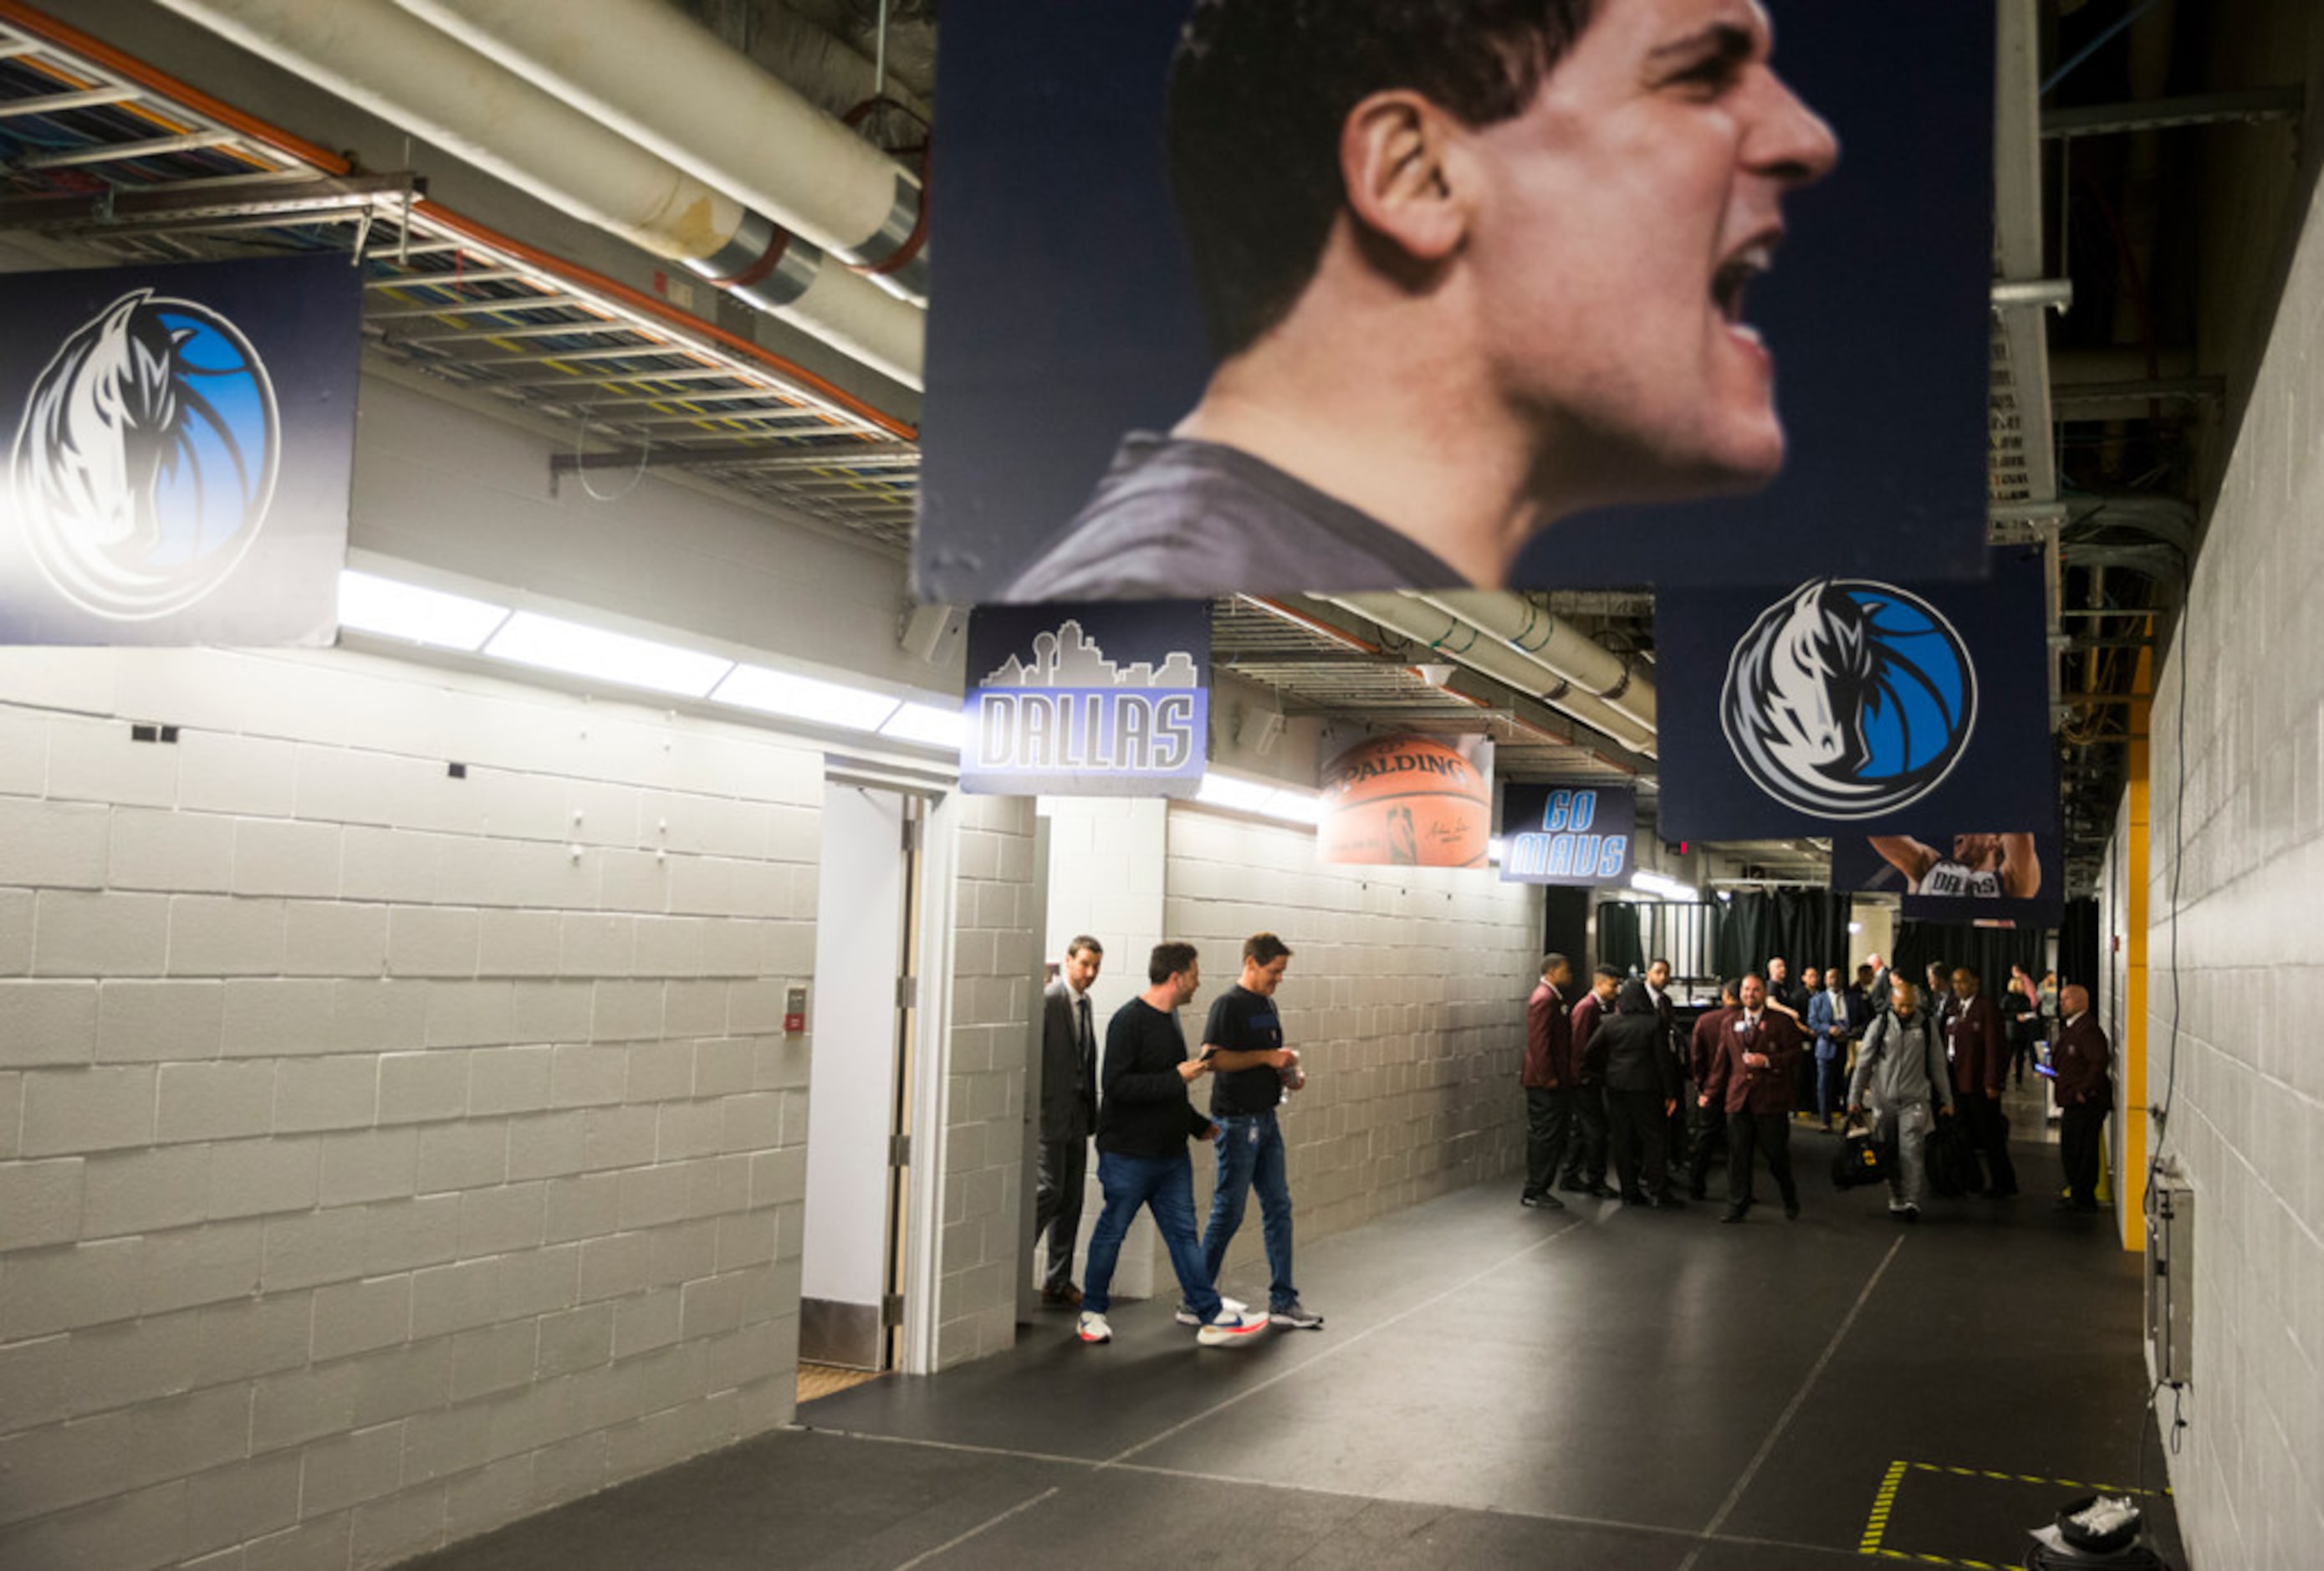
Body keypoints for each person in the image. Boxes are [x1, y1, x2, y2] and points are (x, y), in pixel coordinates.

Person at [1002, 0, 1840, 600]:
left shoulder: (1245, 566)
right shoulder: (1154, 594)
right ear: (1417, 175)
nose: (1806, 140)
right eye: (1699, 74)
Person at [1077, 944, 1272, 1347]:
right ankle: (1091, 1313)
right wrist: (1176, 1078)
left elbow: (1170, 1088)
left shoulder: (1171, 1020)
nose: (1198, 982)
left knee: (1184, 1234)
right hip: (1128, 1154)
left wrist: (1197, 1125)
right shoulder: (1128, 1021)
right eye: (1194, 974)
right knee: (1113, 1231)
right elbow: (1115, 1086)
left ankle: (1208, 1313)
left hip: (1169, 1156)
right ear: (1176, 977)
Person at [1197, 933, 1323, 1330]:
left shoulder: (1267, 1005)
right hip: (1237, 1123)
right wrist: (1266, 1057)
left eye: (1282, 972)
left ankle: (1283, 1300)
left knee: (1278, 1207)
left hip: (1266, 1119)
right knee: (1229, 1212)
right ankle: (1196, 1297)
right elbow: (1211, 1059)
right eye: (1274, 971)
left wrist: (1286, 1072)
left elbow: (1269, 1058)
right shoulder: (1227, 1005)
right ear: (1251, 963)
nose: (1279, 979)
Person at [1845, 975, 1954, 1222]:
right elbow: (1864, 1064)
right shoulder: (1880, 1025)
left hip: (1915, 1100)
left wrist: (1947, 1099)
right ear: (1893, 1002)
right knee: (1888, 1151)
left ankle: (1912, 1201)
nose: (1905, 1010)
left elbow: (1937, 1065)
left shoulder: (1926, 1027)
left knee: (1912, 1148)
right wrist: (1854, 1097)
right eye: (1901, 1005)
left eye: (1910, 1005)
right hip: (1884, 1100)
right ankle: (1896, 1197)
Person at [1699, 972, 1805, 1222]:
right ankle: (1737, 1205)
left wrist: (1768, 1061)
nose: (1750, 994)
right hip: (1738, 1100)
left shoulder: (1781, 1022)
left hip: (1770, 1100)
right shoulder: (1730, 1022)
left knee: (1776, 1156)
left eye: (1755, 990)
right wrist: (1709, 1093)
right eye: (1746, 990)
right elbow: (1720, 1064)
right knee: (1738, 1156)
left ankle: (1790, 1198)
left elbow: (1796, 1055)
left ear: (1764, 993)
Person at [1034, 935, 1103, 1307]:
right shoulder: (1049, 1001)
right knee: (1048, 1191)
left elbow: (1086, 1061)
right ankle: (1011, 1267)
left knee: (1072, 1200)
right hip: (1050, 1116)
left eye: (1096, 967)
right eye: (1084, 964)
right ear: (1068, 961)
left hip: (1077, 1117)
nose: (1090, 973)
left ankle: (1057, 1280)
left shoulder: (1086, 1004)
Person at [1597, 980, 1684, 1207]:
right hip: (1647, 1089)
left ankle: (1628, 1190)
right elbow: (1663, 1060)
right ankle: (1658, 1190)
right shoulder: (1654, 1023)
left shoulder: (1608, 1022)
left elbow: (1590, 1051)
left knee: (1622, 1139)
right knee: (1654, 1139)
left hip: (1616, 1087)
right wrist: (1671, 1093)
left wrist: (1606, 1070)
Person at [1946, 965, 2018, 1200]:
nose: (1958, 986)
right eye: (1955, 982)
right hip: (1957, 1082)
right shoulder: (1955, 1008)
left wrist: (1993, 1082)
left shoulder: (1986, 1009)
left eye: (1963, 982)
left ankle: (2003, 1183)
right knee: (1961, 1133)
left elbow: (1995, 1049)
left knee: (1990, 1136)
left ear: (1975, 983)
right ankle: (1970, 1180)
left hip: (1980, 1085)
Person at [1520, 953, 1578, 1211]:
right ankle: (1535, 1190)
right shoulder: (1544, 999)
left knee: (1551, 1135)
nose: (1570, 975)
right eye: (1566, 970)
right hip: (1545, 1083)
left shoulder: (1553, 997)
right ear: (1552, 971)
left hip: (1552, 1081)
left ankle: (1539, 1187)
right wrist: (1548, 1077)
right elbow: (1539, 1043)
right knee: (1545, 1136)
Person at [1558, 965, 1622, 1199]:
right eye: (1613, 985)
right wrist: (1582, 1075)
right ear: (1599, 983)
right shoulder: (1587, 1009)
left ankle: (1570, 1174)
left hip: (1589, 1077)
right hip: (1584, 1079)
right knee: (1596, 1130)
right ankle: (1596, 1179)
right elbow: (1579, 1046)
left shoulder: (1601, 1007)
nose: (1616, 990)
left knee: (1580, 1130)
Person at [2050, 984, 2112, 1212]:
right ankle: (2077, 1191)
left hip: (2086, 1102)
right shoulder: (2072, 1028)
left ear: (2080, 1001)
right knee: (2071, 1149)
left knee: (2083, 1150)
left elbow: (2098, 1063)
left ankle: (2084, 1197)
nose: (2061, 1003)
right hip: (2071, 1098)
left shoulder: (2089, 1030)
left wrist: (2082, 1091)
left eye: (2066, 999)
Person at [1684, 976, 1741, 1200]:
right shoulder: (1746, 1020)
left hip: (1712, 1088)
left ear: (1725, 995)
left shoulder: (1706, 1021)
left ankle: (1696, 1184)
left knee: (1705, 1138)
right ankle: (1740, 1190)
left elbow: (1696, 1058)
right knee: (1740, 1142)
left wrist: (1701, 1086)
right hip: (1740, 1088)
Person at [1868, 833, 2041, 900]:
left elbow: (2022, 836)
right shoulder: (1929, 864)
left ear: (1995, 841)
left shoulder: (2013, 882)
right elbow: (1880, 834)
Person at [1805, 967, 1863, 1131]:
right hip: (1826, 1048)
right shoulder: (1817, 1000)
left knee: (1848, 1084)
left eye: (1837, 977)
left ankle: (1849, 1118)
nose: (1834, 981)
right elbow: (1812, 1023)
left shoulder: (1854, 999)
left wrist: (1856, 1031)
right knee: (1824, 1085)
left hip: (1848, 1047)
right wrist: (1827, 1029)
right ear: (1825, 980)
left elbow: (1865, 1020)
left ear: (1842, 979)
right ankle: (1825, 1121)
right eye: (1830, 978)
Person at [2004, 964, 2041, 1087]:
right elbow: (2003, 1013)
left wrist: (2029, 1016)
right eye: (2021, 984)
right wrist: (2016, 1017)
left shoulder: (2025, 998)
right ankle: (2003, 1078)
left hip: (2023, 1030)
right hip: (2011, 1030)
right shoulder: (2008, 998)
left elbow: (2029, 1009)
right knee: (2008, 1056)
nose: (2023, 986)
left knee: (2021, 1056)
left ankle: (2019, 1081)